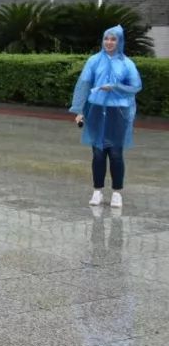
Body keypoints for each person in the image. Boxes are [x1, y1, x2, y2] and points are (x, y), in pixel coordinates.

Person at [71, 25, 142, 209]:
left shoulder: (127, 63)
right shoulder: (94, 61)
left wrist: (116, 87)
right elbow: (84, 84)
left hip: (118, 112)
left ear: (119, 41)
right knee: (98, 152)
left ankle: (117, 193)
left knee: (116, 153)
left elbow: (135, 86)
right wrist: (79, 110)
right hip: (95, 110)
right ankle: (97, 191)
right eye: (106, 39)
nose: (109, 42)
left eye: (113, 39)